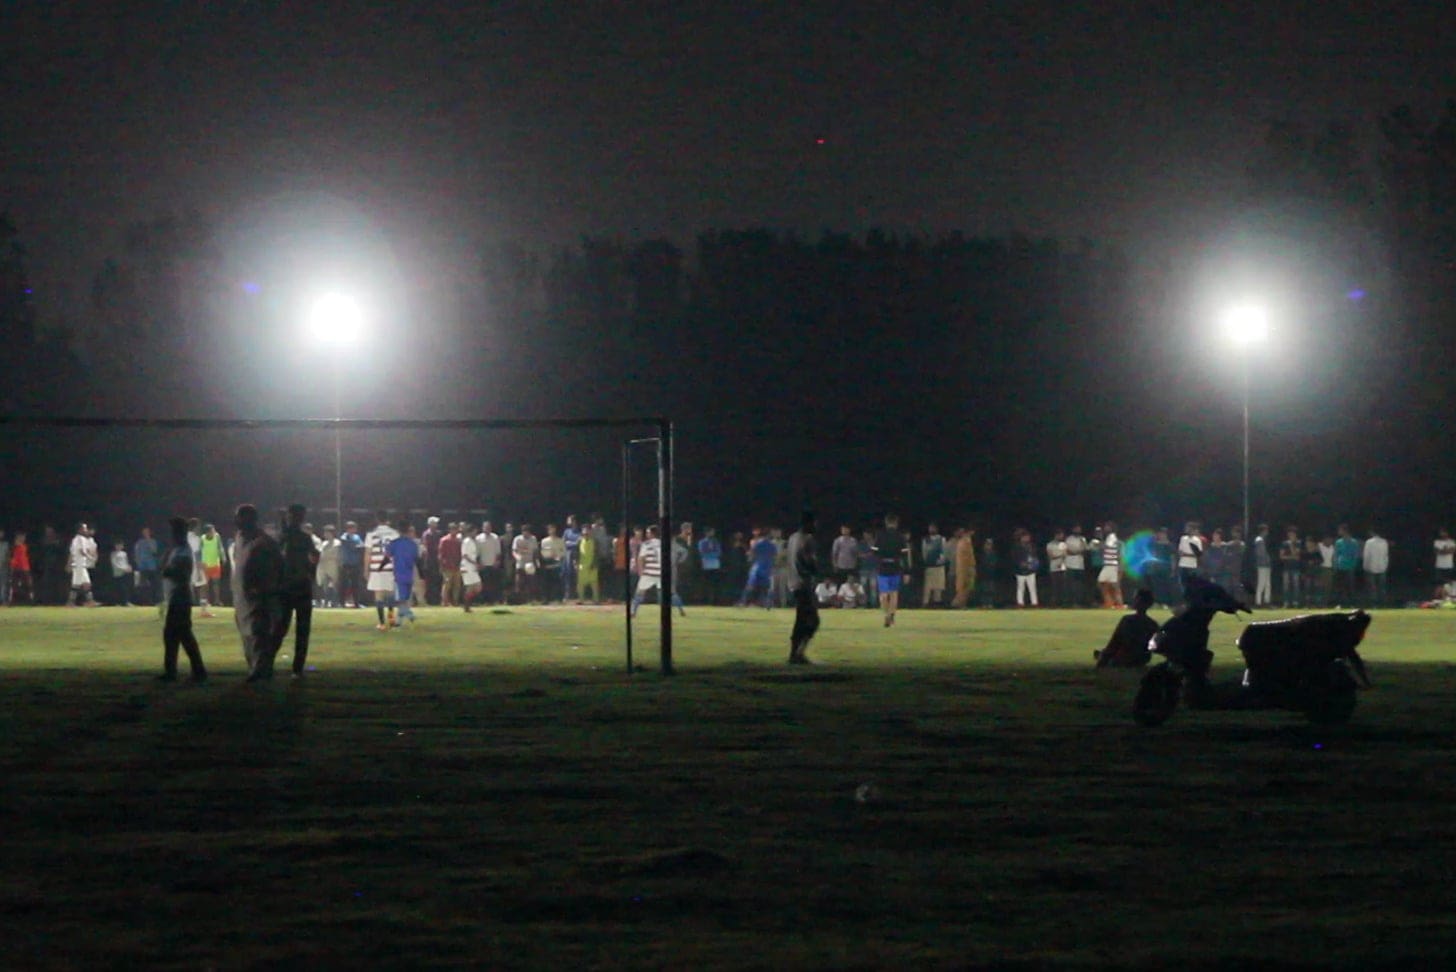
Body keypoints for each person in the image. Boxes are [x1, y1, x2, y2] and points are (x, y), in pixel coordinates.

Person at [230, 504, 284, 682]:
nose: (236, 521)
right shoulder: (239, 538)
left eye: (240, 517)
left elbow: (276, 568)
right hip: (241, 597)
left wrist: (264, 588)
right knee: (246, 635)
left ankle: (261, 671)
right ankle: (254, 668)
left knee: (257, 634)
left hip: (258, 597)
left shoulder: (263, 542)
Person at [156, 517, 207, 683]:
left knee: (175, 634)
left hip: (180, 596)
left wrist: (167, 568)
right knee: (181, 634)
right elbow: (163, 568)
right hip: (175, 596)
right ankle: (193, 670)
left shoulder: (184, 550)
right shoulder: (176, 549)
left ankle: (175, 671)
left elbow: (176, 572)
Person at [278, 504, 320, 677]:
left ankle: (266, 662)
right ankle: (297, 667)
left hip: (288, 586)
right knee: (301, 629)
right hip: (300, 585)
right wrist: (311, 572)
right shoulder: (303, 538)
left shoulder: (284, 537)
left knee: (281, 627)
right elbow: (314, 556)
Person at [787, 511, 820, 664]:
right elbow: (810, 562)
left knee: (800, 619)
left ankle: (794, 654)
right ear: (809, 523)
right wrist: (816, 569)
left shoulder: (792, 538)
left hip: (792, 582)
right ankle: (799, 653)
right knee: (813, 621)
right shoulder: (808, 539)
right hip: (803, 583)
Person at [1094, 588, 1159, 668]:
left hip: (1124, 657)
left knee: (1102, 654)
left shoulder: (1127, 620)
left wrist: (1104, 656)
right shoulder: (1153, 624)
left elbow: (1114, 642)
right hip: (1142, 658)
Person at [632, 525, 685, 617]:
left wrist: (640, 570)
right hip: (662, 572)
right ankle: (681, 610)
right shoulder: (664, 543)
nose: (647, 534)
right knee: (671, 593)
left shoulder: (646, 544)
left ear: (652, 533)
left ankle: (633, 612)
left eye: (648, 532)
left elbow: (641, 558)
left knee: (639, 592)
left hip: (649, 572)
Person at [365, 511, 401, 630]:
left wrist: (366, 569)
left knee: (379, 595)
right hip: (390, 567)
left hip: (376, 568)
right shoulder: (395, 533)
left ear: (376, 520)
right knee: (390, 594)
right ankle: (391, 620)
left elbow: (368, 553)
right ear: (387, 520)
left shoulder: (371, 534)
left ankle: (381, 623)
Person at [873, 514, 907, 627]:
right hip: (895, 567)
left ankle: (886, 615)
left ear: (886, 523)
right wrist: (907, 571)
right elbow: (905, 554)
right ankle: (892, 615)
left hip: (882, 568)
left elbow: (874, 551)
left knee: (883, 594)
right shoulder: (900, 536)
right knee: (894, 593)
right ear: (896, 523)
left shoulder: (880, 535)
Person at [387, 521, 421, 622]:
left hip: (398, 572)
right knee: (406, 595)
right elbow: (416, 558)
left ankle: (404, 614)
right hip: (409, 572)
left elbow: (388, 554)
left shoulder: (394, 543)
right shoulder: (413, 544)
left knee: (400, 597)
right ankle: (403, 615)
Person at [738, 528, 776, 609]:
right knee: (766, 587)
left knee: (750, 586)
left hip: (757, 567)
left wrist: (747, 553)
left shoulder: (757, 544)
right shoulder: (772, 545)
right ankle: (767, 603)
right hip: (767, 568)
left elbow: (751, 555)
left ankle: (743, 602)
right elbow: (774, 557)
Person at [68, 522, 98, 606]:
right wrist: (91, 558)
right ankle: (70, 602)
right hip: (79, 565)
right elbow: (82, 551)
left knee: (86, 583)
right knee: (76, 585)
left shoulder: (76, 539)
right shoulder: (80, 539)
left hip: (80, 564)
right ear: (80, 529)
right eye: (84, 528)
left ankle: (90, 601)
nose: (86, 530)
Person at [199, 523, 226, 610]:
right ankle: (205, 601)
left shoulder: (217, 536)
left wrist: (223, 557)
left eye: (214, 530)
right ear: (207, 532)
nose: (214, 532)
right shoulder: (202, 538)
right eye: (212, 530)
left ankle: (217, 601)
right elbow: (199, 550)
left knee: (216, 583)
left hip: (215, 563)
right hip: (205, 564)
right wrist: (199, 562)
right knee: (205, 585)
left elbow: (220, 547)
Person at [921, 523, 948, 608]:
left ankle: (937, 602)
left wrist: (941, 561)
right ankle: (925, 603)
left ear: (936, 529)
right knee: (927, 586)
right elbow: (924, 552)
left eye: (933, 528)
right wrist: (927, 561)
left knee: (938, 586)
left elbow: (944, 551)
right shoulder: (925, 539)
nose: (931, 530)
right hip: (929, 566)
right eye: (930, 528)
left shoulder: (942, 539)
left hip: (939, 566)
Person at [1333, 524, 1359, 607]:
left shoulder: (1354, 542)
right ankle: (1340, 603)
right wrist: (1335, 565)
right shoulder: (1338, 542)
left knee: (1350, 586)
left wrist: (1354, 564)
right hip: (1341, 566)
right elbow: (1336, 554)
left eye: (1340, 530)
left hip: (1349, 567)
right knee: (1340, 586)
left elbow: (1355, 554)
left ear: (1344, 531)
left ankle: (1351, 603)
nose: (1339, 532)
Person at [1362, 527, 1390, 607]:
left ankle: (1374, 603)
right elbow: (1386, 555)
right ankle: (1383, 602)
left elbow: (1366, 555)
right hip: (1382, 566)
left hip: (1371, 566)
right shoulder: (1384, 542)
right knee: (1382, 586)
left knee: (1372, 587)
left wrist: (1365, 566)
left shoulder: (1369, 542)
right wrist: (1386, 565)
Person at [951, 526, 977, 608]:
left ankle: (960, 603)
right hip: (965, 568)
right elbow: (967, 557)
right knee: (964, 587)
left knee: (967, 587)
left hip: (964, 568)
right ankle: (959, 603)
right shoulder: (964, 542)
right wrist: (971, 567)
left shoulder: (963, 542)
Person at [133, 527, 160, 606]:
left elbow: (154, 551)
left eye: (147, 532)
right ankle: (145, 601)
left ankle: (154, 600)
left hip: (151, 565)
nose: (146, 533)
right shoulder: (139, 542)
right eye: (144, 532)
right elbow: (136, 553)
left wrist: (149, 542)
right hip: (142, 566)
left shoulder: (153, 541)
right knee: (143, 584)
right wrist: (138, 562)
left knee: (153, 584)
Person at [1099, 522, 1123, 608]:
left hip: (1111, 564)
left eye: (1107, 527)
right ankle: (1110, 603)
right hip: (1108, 564)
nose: (1105, 528)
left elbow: (1105, 547)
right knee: (1103, 584)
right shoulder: (1109, 537)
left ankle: (1119, 604)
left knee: (1114, 586)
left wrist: (1100, 541)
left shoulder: (1111, 537)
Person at [460, 522, 484, 612]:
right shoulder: (466, 542)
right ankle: (466, 606)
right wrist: (475, 563)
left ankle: (467, 603)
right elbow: (465, 555)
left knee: (478, 587)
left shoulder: (472, 541)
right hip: (467, 567)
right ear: (470, 532)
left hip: (472, 567)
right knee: (471, 587)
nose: (476, 533)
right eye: (474, 532)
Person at [540, 524, 566, 603]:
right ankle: (546, 599)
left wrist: (558, 555)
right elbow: (542, 552)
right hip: (547, 563)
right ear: (548, 531)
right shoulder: (544, 541)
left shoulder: (560, 540)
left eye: (553, 529)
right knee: (546, 582)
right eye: (550, 529)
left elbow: (564, 552)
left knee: (557, 582)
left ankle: (559, 599)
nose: (552, 531)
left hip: (557, 563)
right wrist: (546, 556)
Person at [1013, 530, 1039, 607]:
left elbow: (1035, 556)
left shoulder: (1032, 546)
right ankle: (1020, 603)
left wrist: (1034, 563)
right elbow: (1015, 558)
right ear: (1021, 538)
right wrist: (1021, 564)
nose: (1027, 538)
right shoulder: (1016, 547)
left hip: (1030, 570)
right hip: (1020, 571)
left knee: (1032, 587)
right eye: (1025, 537)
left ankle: (1034, 603)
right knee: (1020, 587)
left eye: (1028, 537)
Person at [697, 527, 723, 604]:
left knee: (715, 583)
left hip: (715, 565)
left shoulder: (716, 542)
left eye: (713, 532)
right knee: (706, 583)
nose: (712, 534)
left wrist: (711, 554)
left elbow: (719, 553)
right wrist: (712, 554)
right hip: (706, 565)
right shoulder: (702, 542)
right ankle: (705, 600)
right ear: (706, 533)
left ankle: (715, 600)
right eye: (711, 532)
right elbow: (702, 553)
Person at [1279, 527, 1303, 607]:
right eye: (1290, 534)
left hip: (1295, 567)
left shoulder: (1298, 543)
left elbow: (1297, 555)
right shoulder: (1284, 544)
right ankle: (1286, 602)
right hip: (1286, 567)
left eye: (1292, 534)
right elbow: (1281, 556)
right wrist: (1291, 557)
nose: (1291, 535)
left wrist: (1291, 545)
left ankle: (1295, 602)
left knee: (1296, 585)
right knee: (1286, 585)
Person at [1177, 522, 1204, 591]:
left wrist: (1186, 554)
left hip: (1192, 566)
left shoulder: (1197, 540)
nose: (1186, 529)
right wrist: (1184, 554)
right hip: (1182, 564)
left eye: (1188, 528)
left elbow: (1198, 554)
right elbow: (1180, 551)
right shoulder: (1183, 538)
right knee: (1183, 584)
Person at [8, 531, 32, 604]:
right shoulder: (14, 547)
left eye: (23, 537)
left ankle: (29, 599)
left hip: (25, 568)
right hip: (16, 567)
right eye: (20, 537)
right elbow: (12, 557)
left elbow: (26, 558)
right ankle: (12, 600)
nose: (22, 538)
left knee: (28, 584)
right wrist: (12, 566)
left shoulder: (25, 546)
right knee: (14, 584)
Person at [1045, 529, 1068, 607]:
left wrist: (1059, 556)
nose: (1062, 536)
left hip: (1062, 567)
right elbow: (1051, 556)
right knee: (1055, 586)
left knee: (1063, 586)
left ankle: (1063, 603)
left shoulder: (1063, 544)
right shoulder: (1050, 544)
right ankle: (1055, 603)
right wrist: (1060, 555)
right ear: (1056, 535)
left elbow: (1065, 555)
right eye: (1060, 535)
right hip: (1053, 567)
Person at [1252, 524, 1273, 608]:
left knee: (1267, 584)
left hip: (1265, 564)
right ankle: (1258, 602)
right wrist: (1267, 559)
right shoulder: (1259, 540)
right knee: (1261, 583)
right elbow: (1261, 553)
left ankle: (1266, 601)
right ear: (1263, 531)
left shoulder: (1261, 540)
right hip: (1262, 564)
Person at [108, 539, 133, 605]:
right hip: (117, 573)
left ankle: (126, 601)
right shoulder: (113, 554)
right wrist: (122, 569)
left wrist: (128, 567)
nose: (119, 546)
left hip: (124, 573)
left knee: (125, 588)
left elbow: (126, 562)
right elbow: (114, 563)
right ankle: (117, 602)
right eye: (117, 545)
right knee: (118, 588)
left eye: (120, 545)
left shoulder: (124, 553)